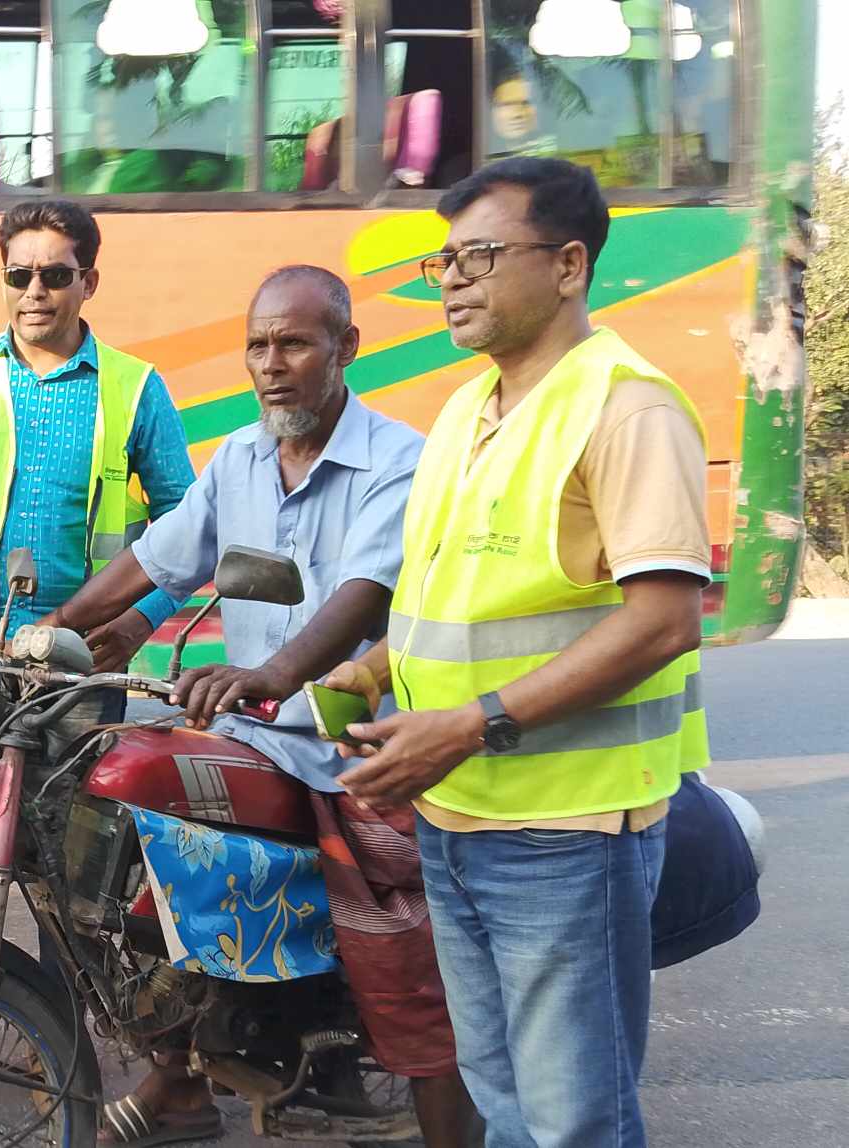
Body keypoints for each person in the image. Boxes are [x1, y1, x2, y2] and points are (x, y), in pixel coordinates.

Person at [325, 157, 710, 1148]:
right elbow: (454, 592)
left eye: (480, 256)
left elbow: (665, 618)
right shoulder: (465, 409)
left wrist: (468, 722)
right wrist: (372, 670)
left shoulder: (627, 404)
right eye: (443, 260)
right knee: (505, 1101)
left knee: (572, 1119)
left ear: (570, 264)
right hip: (454, 819)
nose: (451, 279)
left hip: (565, 835)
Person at [45, 266, 476, 1148]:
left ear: (345, 348)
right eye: (257, 346)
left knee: (408, 979)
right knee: (132, 839)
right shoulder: (238, 458)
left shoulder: (396, 460)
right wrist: (47, 631)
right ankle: (181, 1077)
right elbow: (156, 563)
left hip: (357, 748)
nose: (271, 364)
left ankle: (437, 1121)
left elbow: (361, 595)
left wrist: (274, 675)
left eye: (294, 343)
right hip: (253, 737)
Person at [0, 197, 194, 752]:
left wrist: (141, 619)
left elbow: (186, 526)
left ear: (88, 282)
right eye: (18, 274)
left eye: (54, 276)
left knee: (74, 836)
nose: (34, 292)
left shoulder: (135, 387)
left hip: (78, 675)